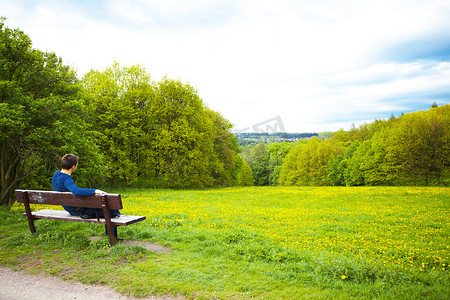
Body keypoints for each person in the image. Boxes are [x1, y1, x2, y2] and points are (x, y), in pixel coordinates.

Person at [52, 154, 120, 237]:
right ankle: (111, 237)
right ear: (73, 166)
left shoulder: (56, 174)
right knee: (110, 209)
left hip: (69, 207)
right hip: (77, 210)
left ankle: (111, 233)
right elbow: (76, 191)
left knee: (108, 208)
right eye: (77, 164)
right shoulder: (66, 178)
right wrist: (95, 191)